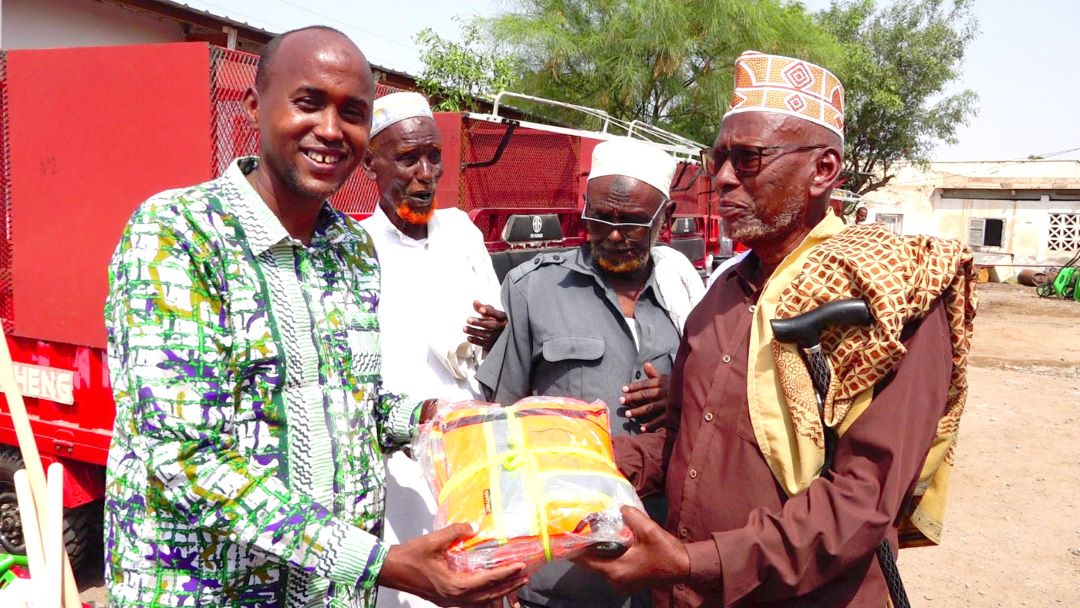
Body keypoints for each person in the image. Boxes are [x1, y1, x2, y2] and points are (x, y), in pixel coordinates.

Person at [103, 26, 526, 608]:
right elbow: (185, 458)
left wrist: (432, 415)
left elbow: (352, 401)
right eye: (308, 103)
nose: (330, 130)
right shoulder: (178, 234)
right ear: (254, 106)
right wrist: (377, 563)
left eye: (351, 112)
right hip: (209, 592)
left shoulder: (350, 250)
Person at [576, 51, 976, 607]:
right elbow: (682, 443)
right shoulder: (721, 294)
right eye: (717, 158)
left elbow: (860, 503)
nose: (720, 179)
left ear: (823, 171)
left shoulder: (889, 298)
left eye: (748, 159)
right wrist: (572, 455)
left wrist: (698, 562)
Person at [476, 138, 706, 608]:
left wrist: (681, 395)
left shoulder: (695, 303)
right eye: (601, 218)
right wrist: (500, 563)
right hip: (563, 574)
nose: (614, 235)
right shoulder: (533, 290)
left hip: (662, 563)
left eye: (632, 222)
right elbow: (498, 433)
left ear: (665, 218)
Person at [357, 91, 506, 608]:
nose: (424, 173)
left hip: (466, 443)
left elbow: (491, 317)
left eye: (433, 156)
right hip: (393, 456)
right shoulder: (353, 249)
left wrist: (492, 330)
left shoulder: (461, 231)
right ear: (370, 164)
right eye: (406, 159)